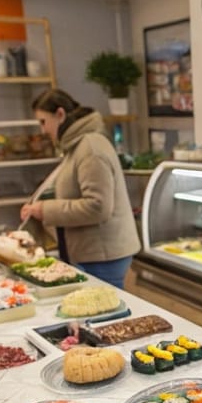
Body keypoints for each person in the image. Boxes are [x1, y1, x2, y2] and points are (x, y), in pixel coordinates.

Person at [20, 89, 141, 288]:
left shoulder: (91, 148)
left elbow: (97, 207)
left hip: (104, 257)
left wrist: (45, 210)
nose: (42, 130)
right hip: (93, 254)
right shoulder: (77, 146)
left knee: (106, 316)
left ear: (60, 114)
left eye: (43, 122)